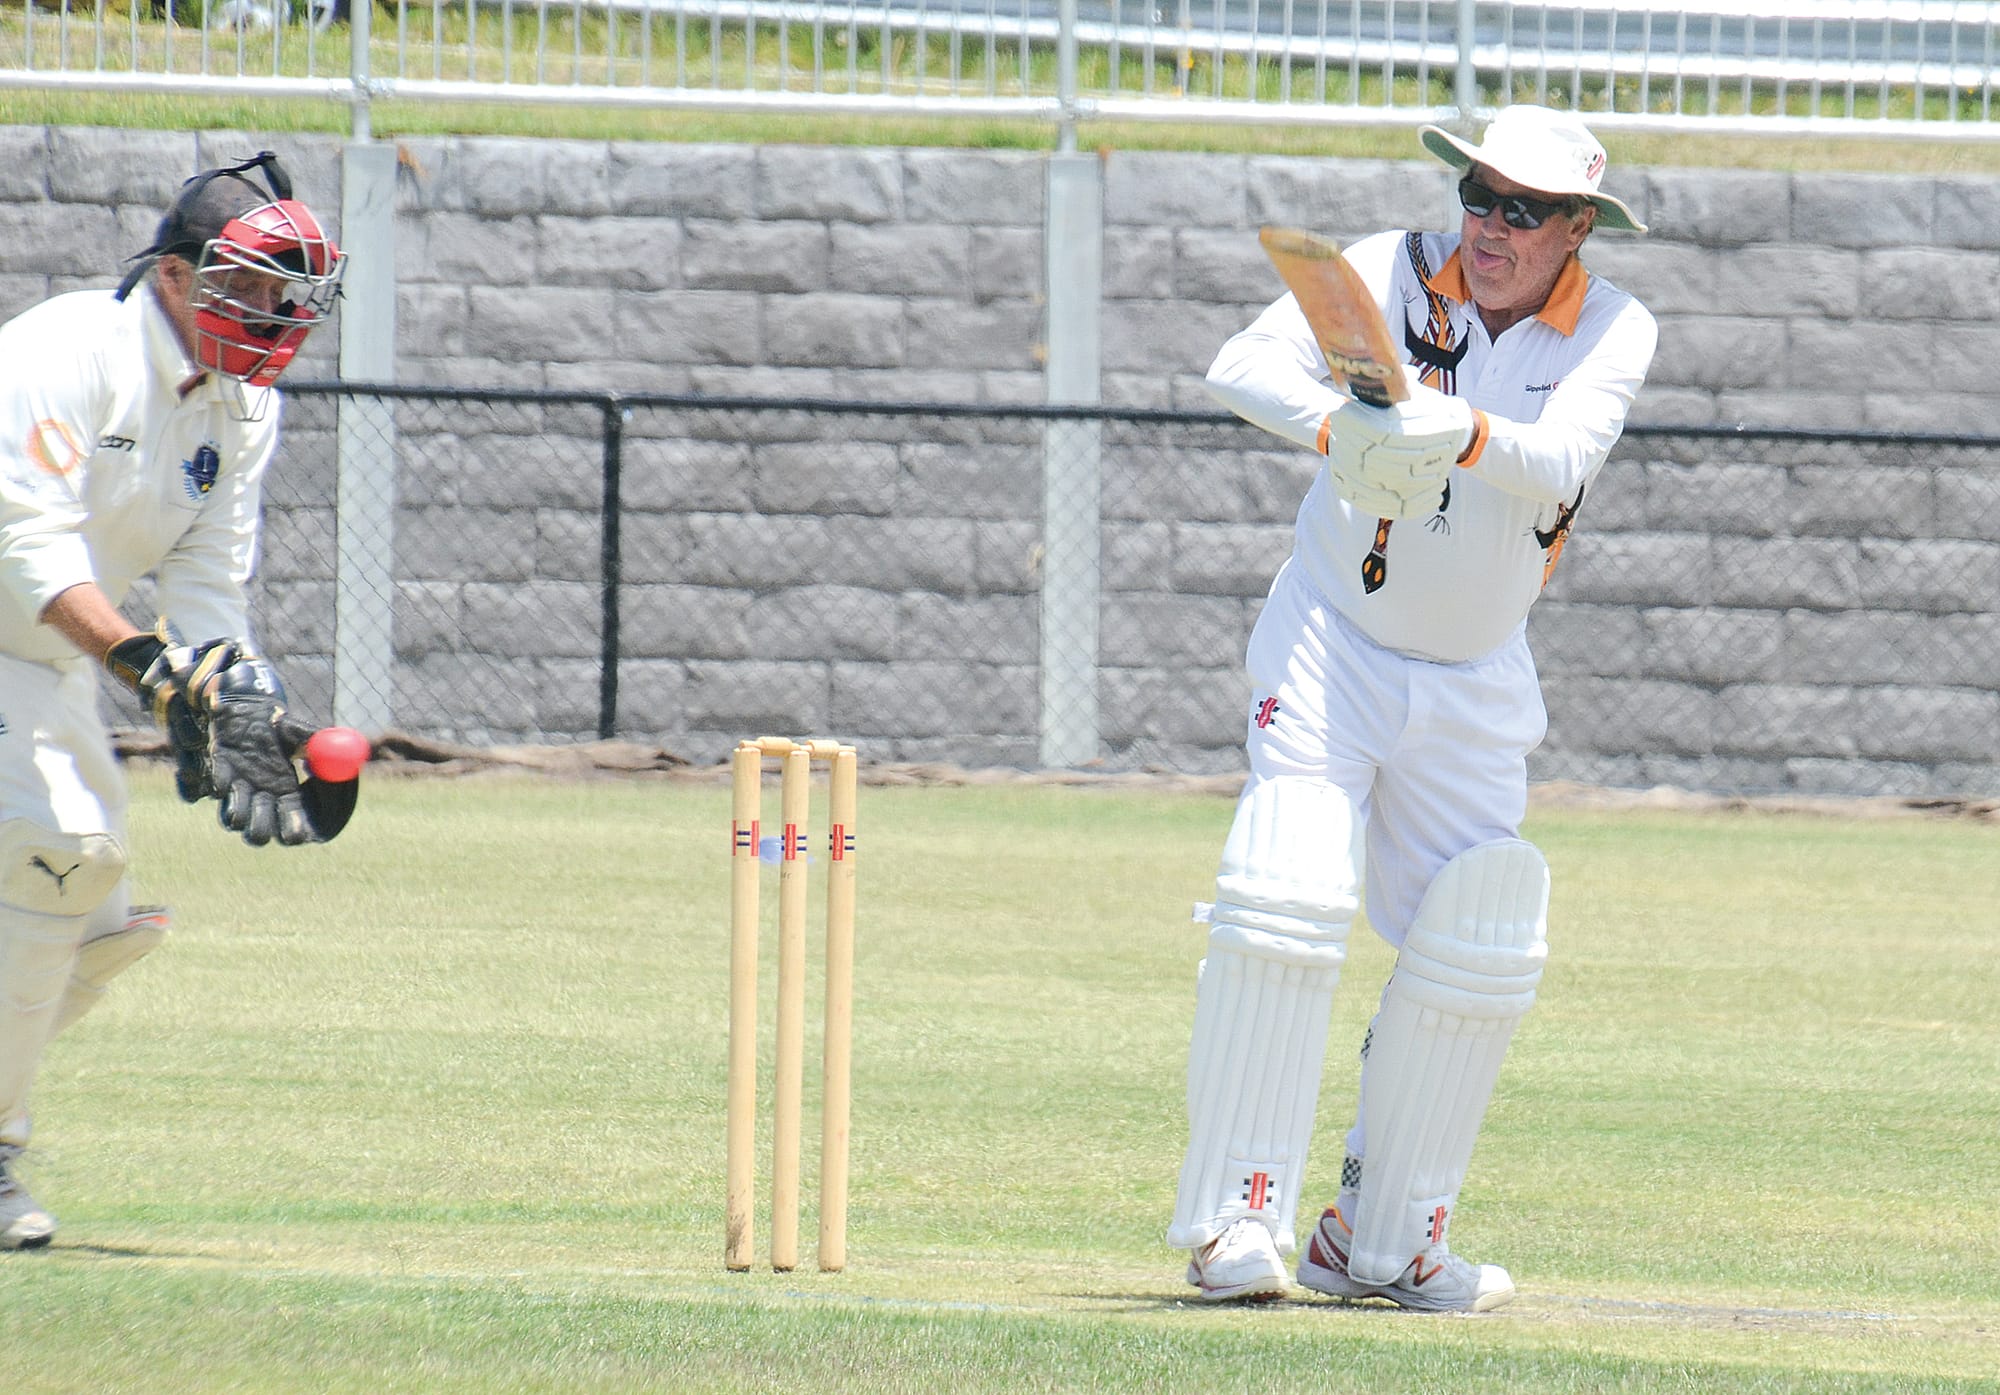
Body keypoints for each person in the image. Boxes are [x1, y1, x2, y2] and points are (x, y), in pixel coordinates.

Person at [1169, 105, 1658, 1311]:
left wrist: (1462, 430)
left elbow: (1560, 459)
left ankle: (1383, 1244)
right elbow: (1239, 366)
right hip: (1333, 638)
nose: (1489, 227)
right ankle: (1235, 1219)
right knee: (1285, 887)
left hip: (1476, 672)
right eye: (1479, 197)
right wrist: (1338, 427)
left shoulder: (1609, 326)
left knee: (1482, 932)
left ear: (1576, 227)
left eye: (1523, 210)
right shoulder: (1388, 269)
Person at [0, 152, 345, 1250]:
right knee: (58, 853)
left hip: (34, 664)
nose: (272, 315)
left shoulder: (240, 408)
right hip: (21, 629)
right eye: (249, 287)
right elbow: (29, 551)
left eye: (287, 296)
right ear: (179, 277)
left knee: (101, 924)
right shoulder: (69, 351)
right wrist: (150, 672)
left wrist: (238, 704)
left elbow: (206, 588)